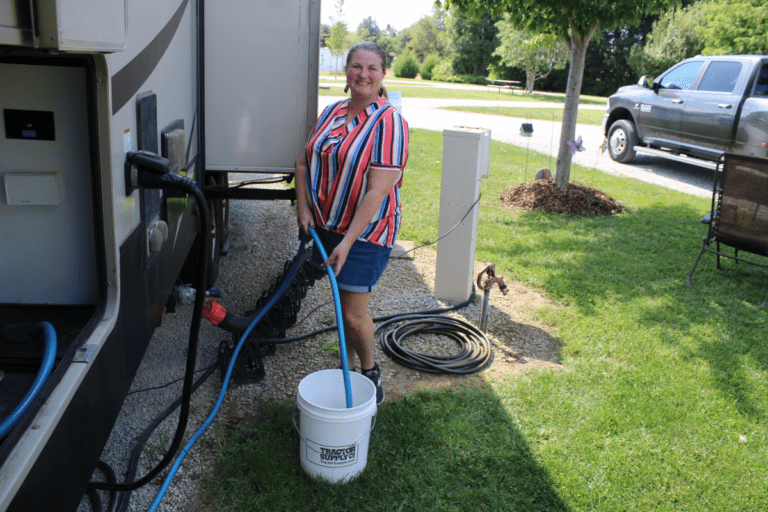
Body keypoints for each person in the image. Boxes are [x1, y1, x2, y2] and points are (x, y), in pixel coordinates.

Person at [295, 41, 409, 404]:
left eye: (372, 68)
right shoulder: (331, 112)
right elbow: (302, 164)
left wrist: (346, 242)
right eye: (357, 66)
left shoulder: (389, 122)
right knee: (342, 306)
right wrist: (304, 209)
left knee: (353, 313)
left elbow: (376, 192)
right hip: (325, 227)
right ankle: (355, 365)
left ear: (382, 76)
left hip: (366, 234)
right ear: (346, 71)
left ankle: (370, 373)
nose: (363, 74)